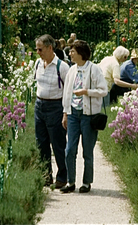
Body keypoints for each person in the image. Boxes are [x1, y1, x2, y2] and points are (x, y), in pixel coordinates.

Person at [60, 40, 107, 193]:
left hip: (88, 116)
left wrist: (86, 92)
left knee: (87, 151)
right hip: (73, 114)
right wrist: (65, 114)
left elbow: (103, 90)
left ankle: (86, 182)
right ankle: (71, 181)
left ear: (80, 53)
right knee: (70, 149)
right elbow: (67, 93)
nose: (70, 53)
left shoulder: (94, 69)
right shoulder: (71, 70)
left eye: (72, 51)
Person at [34, 34, 69, 189]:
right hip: (39, 106)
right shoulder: (37, 64)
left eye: (40, 49)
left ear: (50, 48)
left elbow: (69, 92)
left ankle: (62, 177)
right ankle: (46, 175)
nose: (38, 52)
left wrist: (65, 113)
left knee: (58, 143)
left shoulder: (62, 67)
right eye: (37, 49)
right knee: (41, 143)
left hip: (56, 107)